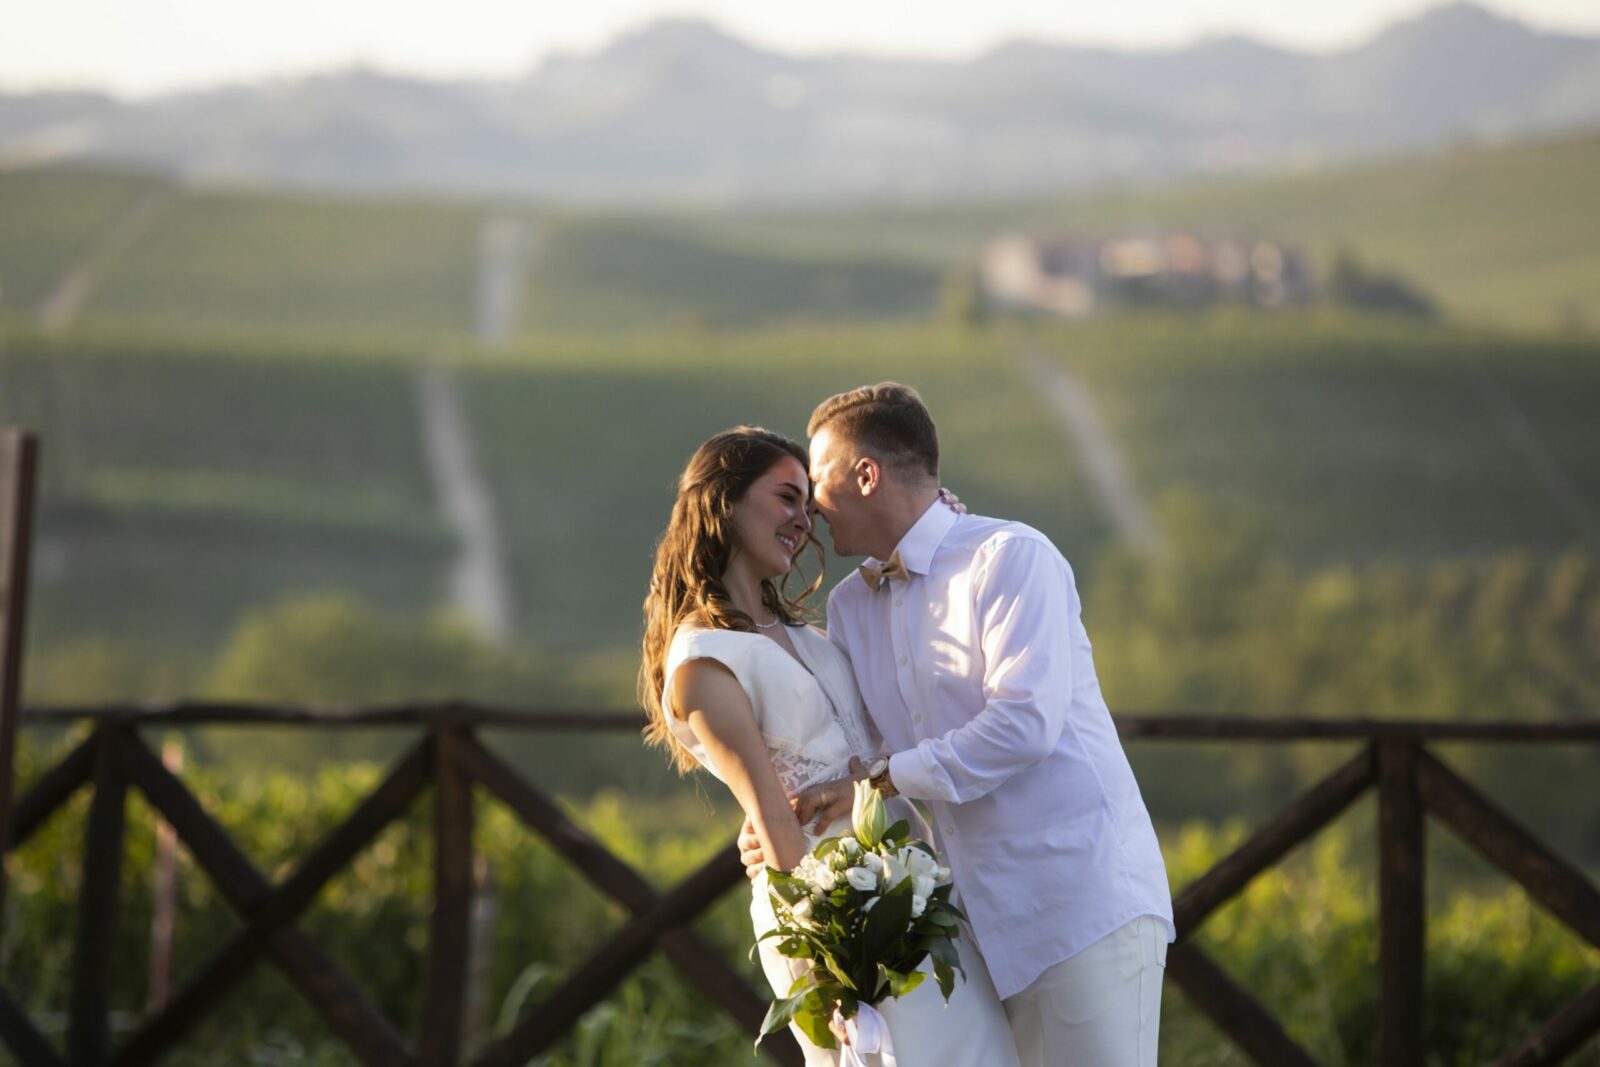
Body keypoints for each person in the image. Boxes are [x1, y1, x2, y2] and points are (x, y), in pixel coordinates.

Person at [739, 383, 1174, 1066]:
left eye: (818, 483)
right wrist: (775, 819)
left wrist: (881, 780)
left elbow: (1023, 724)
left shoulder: (1009, 558)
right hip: (966, 930)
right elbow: (852, 746)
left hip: (1078, 905)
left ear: (866, 474)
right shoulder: (852, 607)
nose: (813, 511)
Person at [640, 426, 1020, 1066]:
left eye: (808, 504)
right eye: (786, 497)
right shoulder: (703, 660)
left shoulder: (806, 633)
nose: (803, 518)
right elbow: (772, 822)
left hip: (909, 883)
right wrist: (833, 971)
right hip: (834, 915)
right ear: (724, 501)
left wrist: (939, 517)